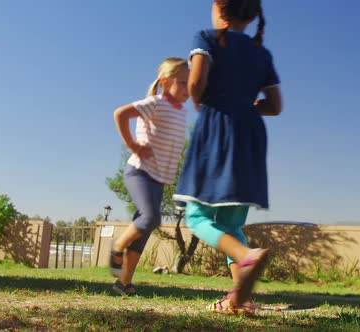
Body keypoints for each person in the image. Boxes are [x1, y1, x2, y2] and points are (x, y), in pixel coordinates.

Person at [173, 0, 282, 316]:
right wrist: (246, 105)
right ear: (251, 17)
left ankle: (246, 255)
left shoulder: (206, 37)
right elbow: (275, 105)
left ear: (220, 9)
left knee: (196, 215)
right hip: (251, 134)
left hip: (217, 126)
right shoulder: (262, 53)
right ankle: (241, 298)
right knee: (231, 221)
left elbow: (196, 83)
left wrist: (201, 99)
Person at [109, 57, 189, 296]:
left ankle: (123, 282)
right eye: (183, 83)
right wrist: (132, 145)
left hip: (158, 179)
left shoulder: (182, 112)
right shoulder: (155, 103)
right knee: (152, 218)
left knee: (143, 231)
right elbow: (120, 114)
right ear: (165, 82)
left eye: (190, 83)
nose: (188, 89)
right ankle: (118, 245)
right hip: (139, 172)